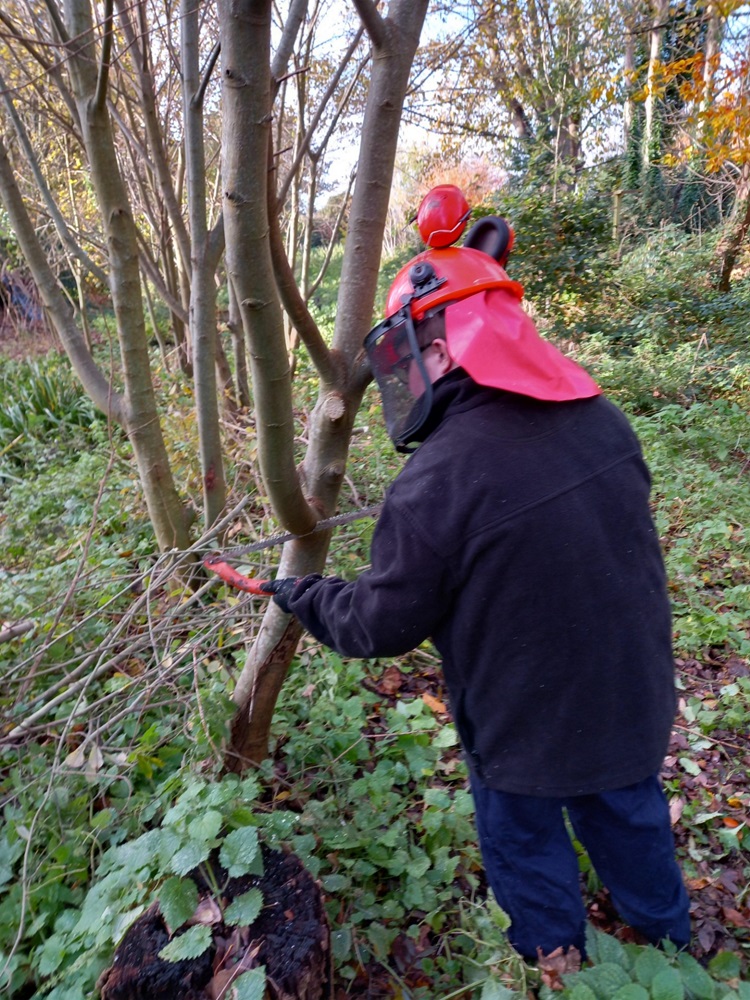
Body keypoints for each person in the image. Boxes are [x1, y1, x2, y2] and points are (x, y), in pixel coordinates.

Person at [261, 185, 691, 961]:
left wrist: (300, 594)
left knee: (526, 843)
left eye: (411, 350)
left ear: (448, 341)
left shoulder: (438, 482)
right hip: (632, 696)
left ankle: (554, 962)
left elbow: (378, 624)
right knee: (627, 812)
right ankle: (669, 950)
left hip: (522, 728)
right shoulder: (604, 420)